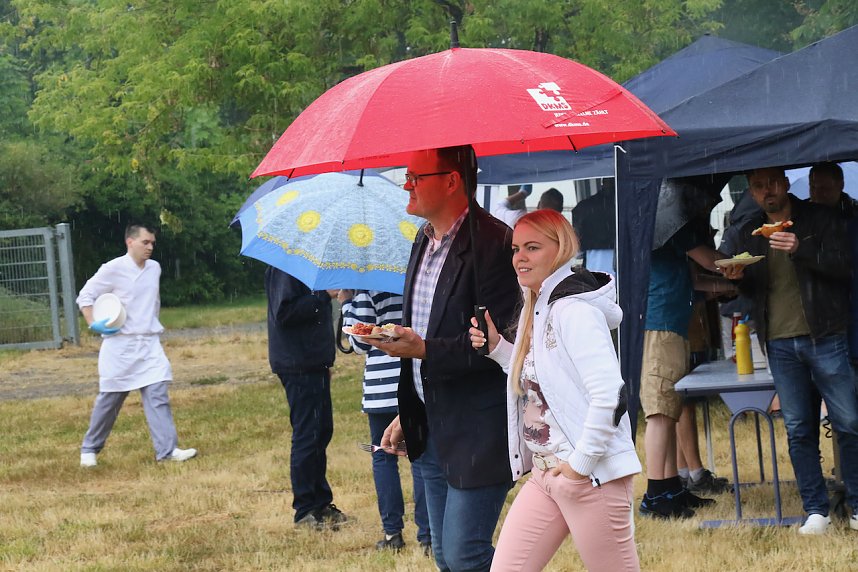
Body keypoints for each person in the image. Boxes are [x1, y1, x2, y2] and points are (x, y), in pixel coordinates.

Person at [365, 145, 521, 572]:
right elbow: (424, 326)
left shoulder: (493, 243)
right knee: (444, 557)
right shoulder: (423, 237)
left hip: (478, 428)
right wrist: (411, 408)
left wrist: (424, 349)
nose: (406, 185)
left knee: (465, 553)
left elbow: (498, 346)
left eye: (416, 176)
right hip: (431, 422)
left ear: (452, 181)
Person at [468, 209, 641, 572]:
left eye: (532, 247)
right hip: (546, 475)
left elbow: (611, 395)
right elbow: (544, 378)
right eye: (515, 249)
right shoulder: (539, 305)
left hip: (590, 476)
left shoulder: (574, 311)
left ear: (560, 250)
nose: (520, 257)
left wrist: (580, 466)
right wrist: (499, 349)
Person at [722, 166, 858, 534]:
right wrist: (738, 279)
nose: (767, 191)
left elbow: (844, 268)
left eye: (772, 183)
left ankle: (857, 504)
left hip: (825, 334)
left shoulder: (819, 218)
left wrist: (801, 248)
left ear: (784, 184)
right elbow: (751, 289)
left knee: (849, 422)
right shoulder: (749, 232)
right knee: (798, 429)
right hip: (779, 342)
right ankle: (816, 510)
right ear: (752, 193)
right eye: (758, 186)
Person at [76, 224, 197, 467]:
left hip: (149, 343)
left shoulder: (154, 268)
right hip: (120, 346)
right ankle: (89, 449)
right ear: (130, 242)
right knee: (110, 401)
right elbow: (85, 296)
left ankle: (167, 451)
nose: (150, 247)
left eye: (152, 243)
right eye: (145, 242)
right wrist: (93, 323)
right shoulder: (112, 268)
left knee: (158, 396)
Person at [639, 216, 734, 519]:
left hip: (672, 324)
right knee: (659, 412)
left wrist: (729, 286)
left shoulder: (663, 225)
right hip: (659, 325)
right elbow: (708, 260)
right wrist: (740, 267)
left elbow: (691, 281)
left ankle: (671, 489)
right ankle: (655, 496)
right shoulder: (666, 221)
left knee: (669, 410)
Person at [339, 289, 431, 554]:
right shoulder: (418, 282)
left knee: (382, 455)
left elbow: (359, 342)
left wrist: (346, 303)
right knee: (420, 456)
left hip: (381, 385)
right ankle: (428, 534)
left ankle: (392, 533)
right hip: (413, 379)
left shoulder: (368, 286)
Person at [265, 267, 347, 529]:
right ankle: (304, 510)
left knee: (321, 432)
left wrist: (324, 360)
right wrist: (323, 295)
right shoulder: (286, 268)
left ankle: (320, 502)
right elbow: (285, 313)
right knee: (307, 434)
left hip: (314, 362)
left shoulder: (308, 268)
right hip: (297, 363)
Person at [570, 180, 615, 275]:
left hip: (593, 261)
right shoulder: (627, 205)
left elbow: (577, 243)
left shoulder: (584, 207)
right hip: (622, 257)